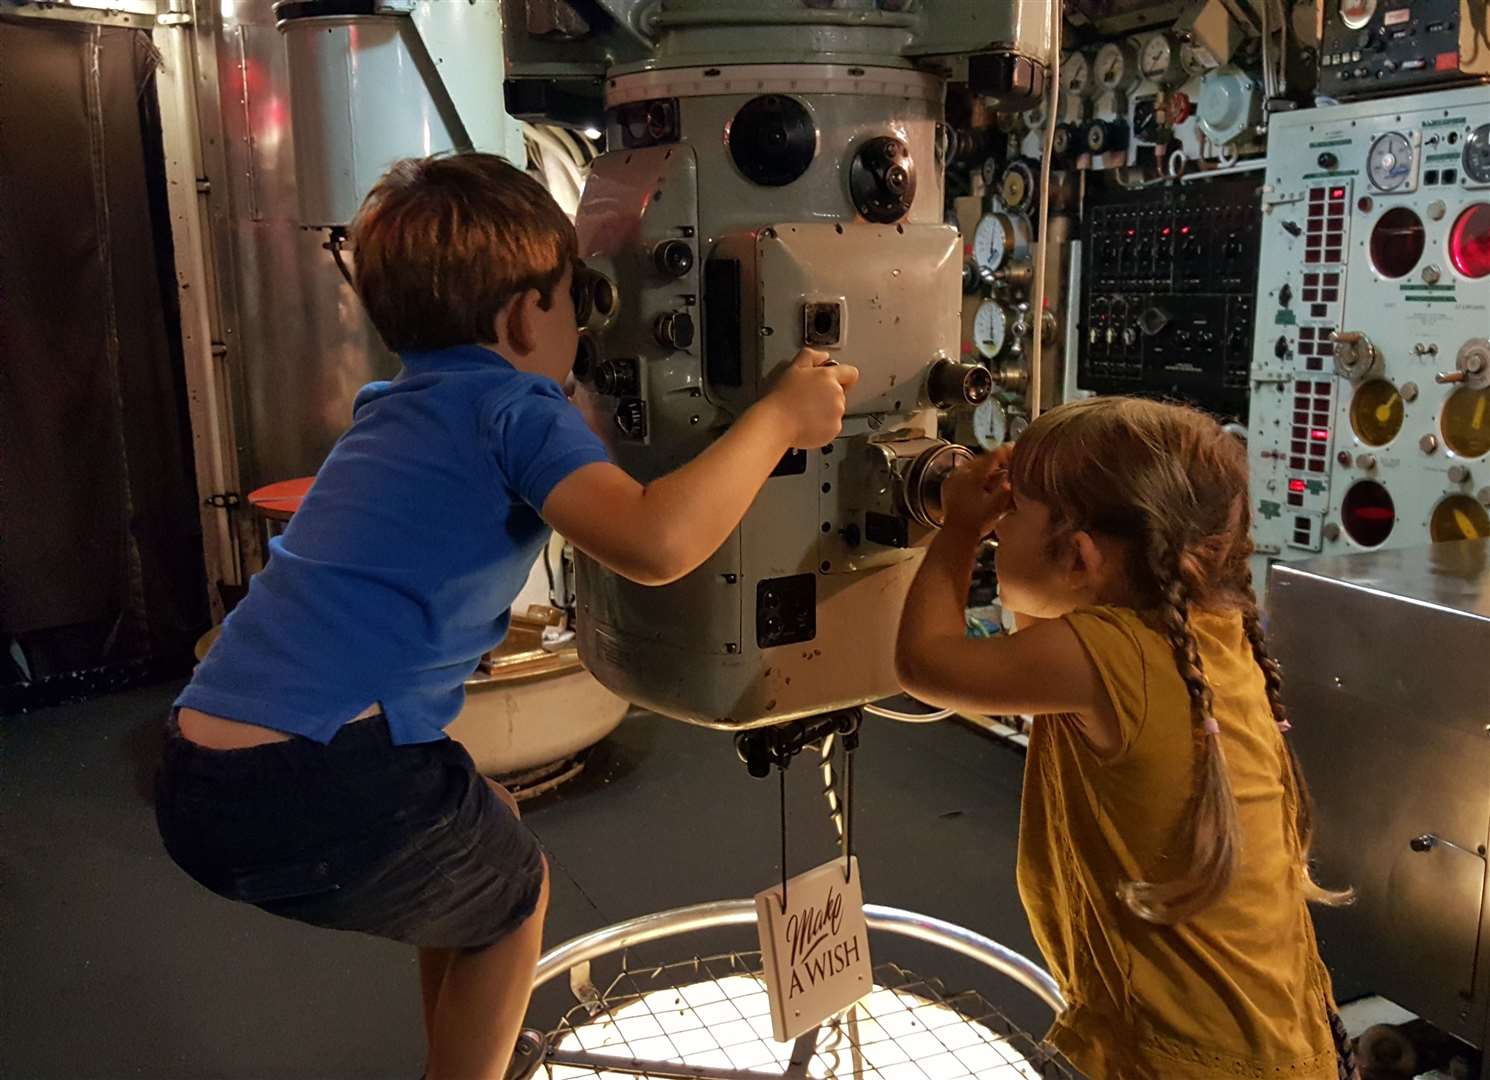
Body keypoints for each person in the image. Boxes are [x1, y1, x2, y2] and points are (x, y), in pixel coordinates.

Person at [154, 152, 859, 1080]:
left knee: (472, 834)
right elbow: (656, 544)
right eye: (576, 299)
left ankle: (458, 1056)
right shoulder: (514, 408)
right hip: (321, 773)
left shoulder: (390, 409)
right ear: (532, 312)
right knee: (515, 897)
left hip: (198, 771)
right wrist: (778, 419)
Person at [894, 397, 1353, 1080]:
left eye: (1008, 516)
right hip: (1286, 1040)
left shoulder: (1100, 657)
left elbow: (923, 663)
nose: (996, 529)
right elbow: (1041, 608)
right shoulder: (1202, 636)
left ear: (1080, 557)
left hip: (1181, 1062)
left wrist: (957, 529)